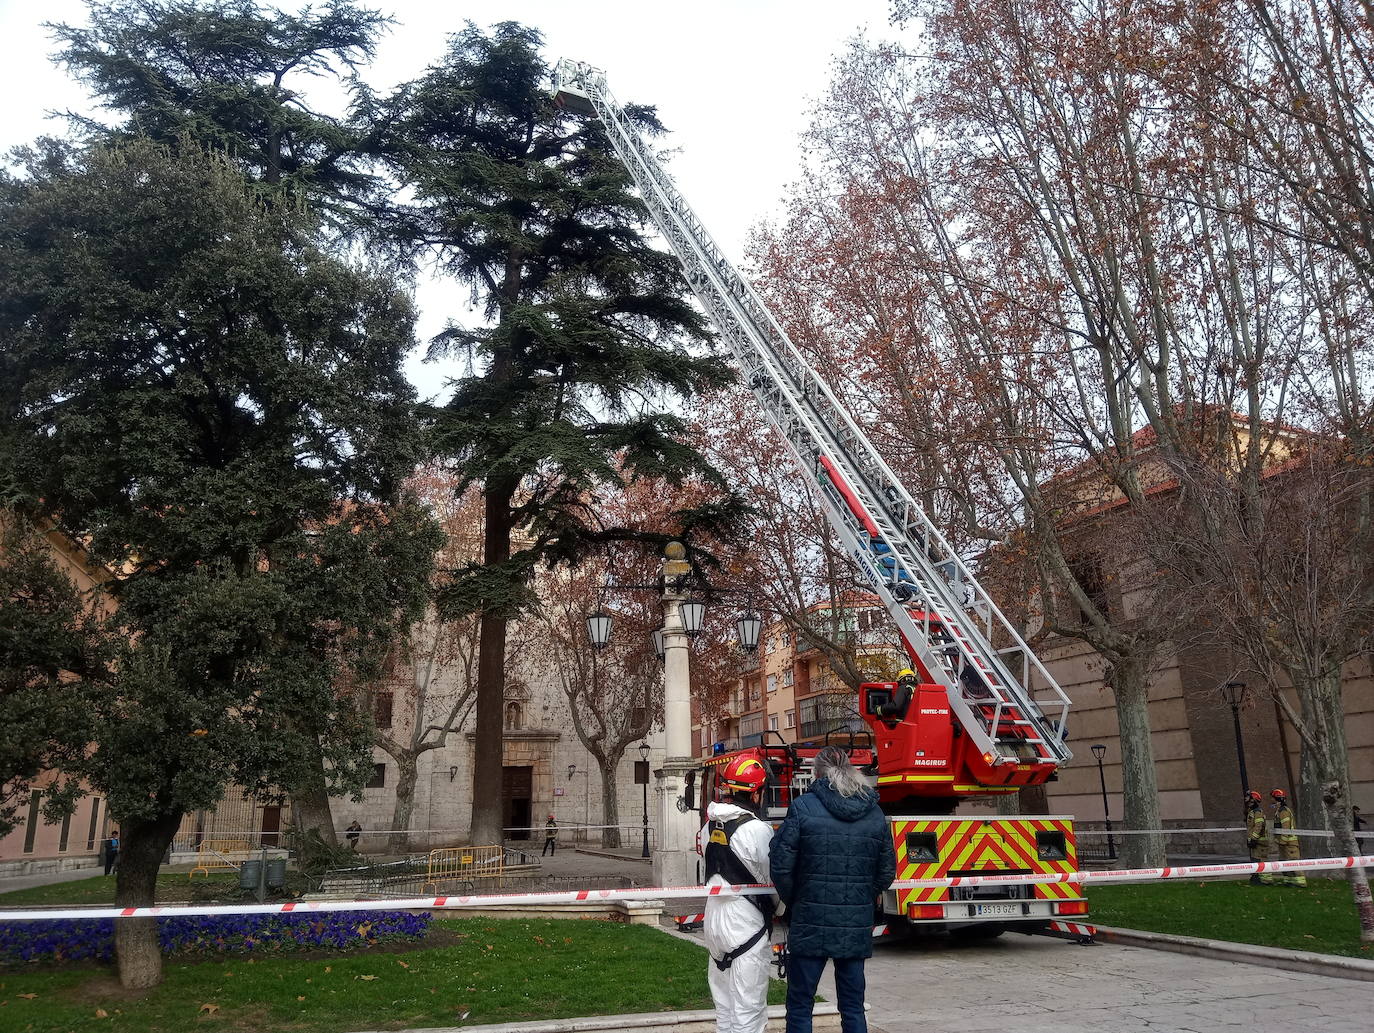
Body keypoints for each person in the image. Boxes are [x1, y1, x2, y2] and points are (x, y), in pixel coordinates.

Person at [771, 745, 896, 1033]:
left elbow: (780, 864)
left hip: (810, 919)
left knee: (801, 1004)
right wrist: (862, 895)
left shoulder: (803, 806)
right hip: (854, 923)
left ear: (816, 773)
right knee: (853, 1006)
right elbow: (886, 872)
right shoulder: (873, 812)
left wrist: (796, 899)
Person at [698, 754, 775, 1033]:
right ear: (757, 793)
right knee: (748, 1010)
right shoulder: (758, 831)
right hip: (745, 923)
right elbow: (771, 879)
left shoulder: (709, 826)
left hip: (715, 921)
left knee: (725, 1007)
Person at [1270, 789, 1306, 887]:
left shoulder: (1284, 811)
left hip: (1289, 843)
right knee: (1284, 863)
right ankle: (1289, 880)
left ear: (1277, 798)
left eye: (1272, 798)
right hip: (1284, 843)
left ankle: (1300, 882)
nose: (1271, 800)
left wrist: (1283, 841)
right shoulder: (1279, 811)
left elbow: (1285, 827)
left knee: (1293, 862)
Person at [1244, 790, 1270, 885]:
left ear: (1253, 800)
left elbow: (1258, 826)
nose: (1246, 800)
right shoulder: (1252, 812)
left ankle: (1265, 880)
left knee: (1261, 860)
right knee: (1255, 860)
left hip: (1260, 842)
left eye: (1248, 798)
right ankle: (1256, 877)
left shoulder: (1257, 812)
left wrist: (1253, 839)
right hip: (1256, 841)